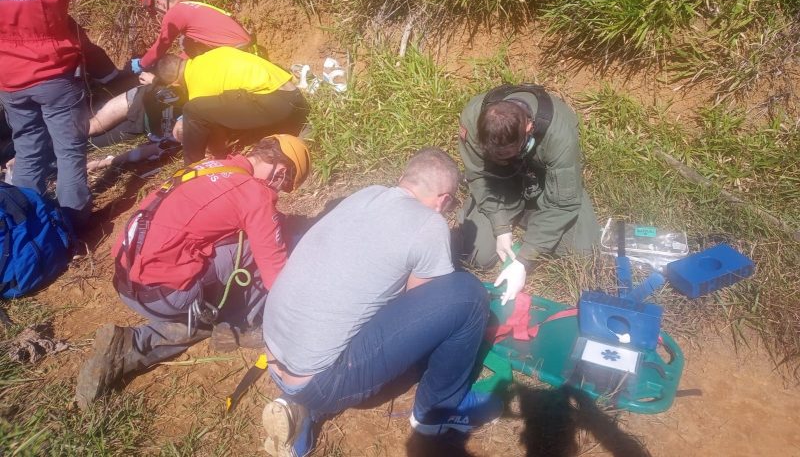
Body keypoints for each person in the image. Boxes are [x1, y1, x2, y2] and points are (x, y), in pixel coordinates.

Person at [261, 148, 501, 457]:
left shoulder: (367, 195)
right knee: (466, 294)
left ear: (403, 180)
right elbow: (422, 302)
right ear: (443, 199)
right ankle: (439, 410)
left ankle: (302, 410)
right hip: (320, 378)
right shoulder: (430, 224)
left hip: (275, 355)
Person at [74, 134, 311, 409]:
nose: (280, 194)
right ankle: (239, 322)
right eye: (285, 186)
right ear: (280, 172)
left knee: (244, 241)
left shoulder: (210, 166)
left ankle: (138, 344)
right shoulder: (254, 194)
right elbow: (275, 273)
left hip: (127, 278)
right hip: (161, 295)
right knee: (263, 247)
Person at [0, 0, 114, 227]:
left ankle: (26, 225)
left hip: (10, 82)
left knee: (29, 152)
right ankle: (74, 224)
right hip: (53, 78)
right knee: (68, 151)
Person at [458, 84, 600, 304]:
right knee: (476, 254)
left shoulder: (558, 132)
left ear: (529, 128)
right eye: (493, 152)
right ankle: (521, 217)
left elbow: (563, 204)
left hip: (547, 184)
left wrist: (524, 260)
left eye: (506, 152)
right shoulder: (473, 117)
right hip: (500, 184)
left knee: (583, 254)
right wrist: (501, 226)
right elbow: (478, 176)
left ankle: (534, 218)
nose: (499, 157)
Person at [153, 47, 309, 164]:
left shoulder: (196, 89)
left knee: (191, 110)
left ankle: (192, 167)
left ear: (174, 84)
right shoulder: (213, 54)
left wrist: (214, 150)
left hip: (277, 105)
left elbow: (216, 134)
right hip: (293, 95)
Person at [135, 0, 253, 72]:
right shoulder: (191, 5)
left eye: (154, 10)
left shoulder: (174, 14)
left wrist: (141, 64)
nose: (157, 14)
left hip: (238, 58)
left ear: (159, 3)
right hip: (248, 51)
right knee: (185, 41)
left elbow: (160, 46)